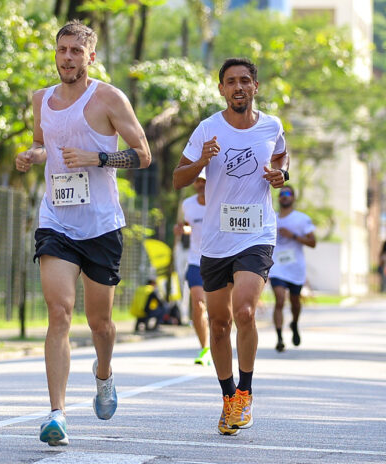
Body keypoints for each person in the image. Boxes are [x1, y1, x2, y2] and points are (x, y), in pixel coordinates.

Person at [15, 20, 151, 446]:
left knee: (100, 323)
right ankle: (57, 414)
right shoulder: (40, 99)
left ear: (90, 57)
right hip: (56, 219)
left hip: (101, 224)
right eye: (62, 50)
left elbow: (143, 155)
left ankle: (104, 373)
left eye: (76, 51)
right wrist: (33, 155)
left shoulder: (109, 97)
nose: (68, 58)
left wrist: (98, 157)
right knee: (59, 312)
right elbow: (43, 142)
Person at [172, 57, 288, 436]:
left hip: (256, 234)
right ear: (221, 89)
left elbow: (281, 155)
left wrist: (280, 174)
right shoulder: (207, 128)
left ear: (256, 86)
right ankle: (227, 399)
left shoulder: (272, 125)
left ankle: (246, 392)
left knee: (245, 312)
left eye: (245, 81)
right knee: (218, 325)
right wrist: (202, 160)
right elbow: (177, 178)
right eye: (230, 82)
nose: (238, 87)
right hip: (216, 240)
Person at [269, 185, 316, 352]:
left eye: (288, 193)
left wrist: (294, 236)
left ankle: (295, 323)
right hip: (277, 266)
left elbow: (313, 243)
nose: (284, 196)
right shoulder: (271, 217)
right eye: (281, 194)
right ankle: (280, 337)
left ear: (293, 198)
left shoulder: (302, 219)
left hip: (295, 267)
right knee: (280, 299)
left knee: (295, 302)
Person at [174, 170, 211, 366]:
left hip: (218, 260)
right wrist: (182, 230)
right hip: (196, 260)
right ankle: (204, 348)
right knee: (197, 303)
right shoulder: (187, 204)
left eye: (204, 180)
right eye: (197, 180)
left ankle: (218, 341)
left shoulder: (219, 200)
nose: (201, 183)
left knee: (218, 310)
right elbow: (185, 225)